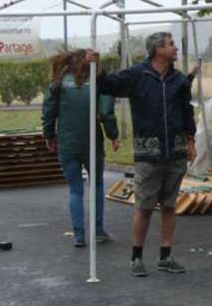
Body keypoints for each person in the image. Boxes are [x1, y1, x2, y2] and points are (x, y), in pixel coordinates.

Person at [89, 32, 196, 277]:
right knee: (145, 207)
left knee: (169, 205)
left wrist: (190, 141)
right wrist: (96, 66)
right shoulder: (138, 74)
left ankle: (166, 255)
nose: (175, 48)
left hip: (175, 152)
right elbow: (109, 84)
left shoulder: (179, 80)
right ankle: (136, 257)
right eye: (171, 44)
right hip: (148, 155)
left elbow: (186, 111)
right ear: (158, 49)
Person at [41, 49, 121, 247]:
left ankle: (78, 235)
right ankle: (99, 230)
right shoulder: (97, 82)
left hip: (67, 142)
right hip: (92, 141)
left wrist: (49, 135)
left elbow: (49, 110)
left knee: (75, 190)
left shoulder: (59, 82)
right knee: (97, 185)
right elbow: (105, 112)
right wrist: (113, 136)